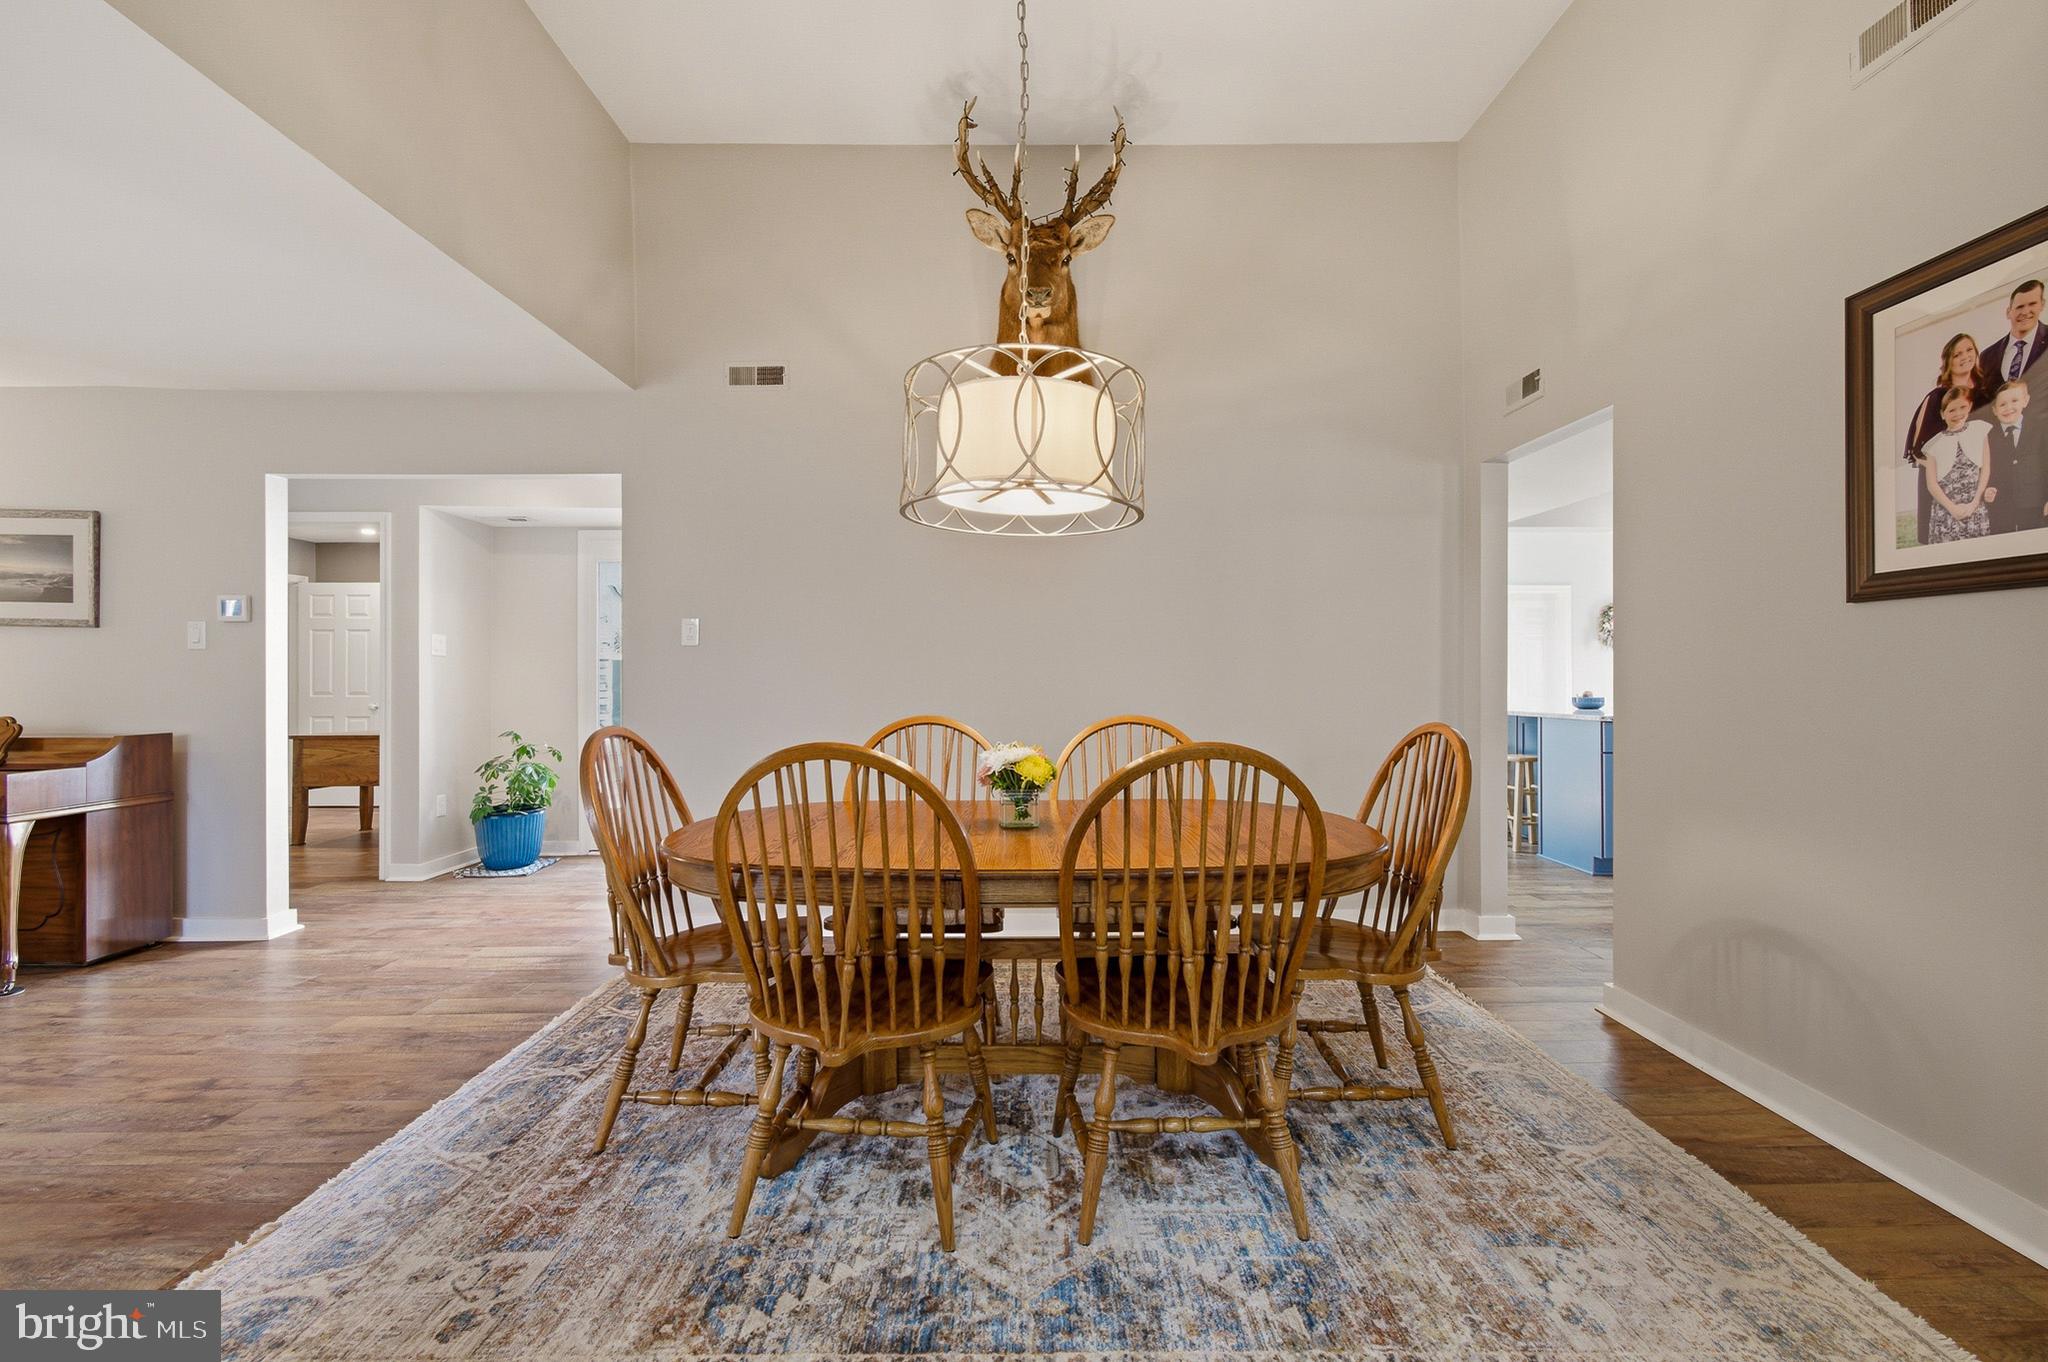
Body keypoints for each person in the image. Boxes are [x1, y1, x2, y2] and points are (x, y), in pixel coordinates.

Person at [1904, 333, 1991, 543]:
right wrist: (1947, 480)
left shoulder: (1983, 395)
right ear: (1948, 362)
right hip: (1943, 489)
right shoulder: (1936, 398)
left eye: (1969, 350)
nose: (1965, 357)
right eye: (1957, 354)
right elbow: (1918, 450)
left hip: (1978, 489)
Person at [1917, 387, 1992, 541]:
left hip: (1974, 506)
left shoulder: (1979, 430)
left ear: (1970, 406)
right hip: (1946, 511)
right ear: (1943, 414)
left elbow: (1986, 469)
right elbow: (1931, 484)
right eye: (1951, 410)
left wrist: (1974, 503)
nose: (1958, 414)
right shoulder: (1933, 445)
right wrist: (1952, 509)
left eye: (1962, 407)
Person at [1982, 377, 2048, 535]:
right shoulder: (1989, 436)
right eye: (2002, 404)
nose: (2008, 408)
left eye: (2014, 401)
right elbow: (1986, 467)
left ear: (2025, 401)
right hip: (2002, 505)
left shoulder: (2040, 428)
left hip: (2035, 502)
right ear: (1995, 410)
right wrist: (1988, 488)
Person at [1977, 280, 2046, 389]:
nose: (2025, 312)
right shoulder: (1987, 356)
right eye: (2020, 307)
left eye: (2032, 304)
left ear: (2042, 305)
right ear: (2008, 312)